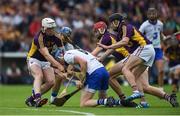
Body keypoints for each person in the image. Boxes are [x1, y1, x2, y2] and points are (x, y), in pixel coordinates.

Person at [93, 21, 179, 108]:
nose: (94, 33)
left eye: (96, 31)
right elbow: (112, 49)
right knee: (145, 87)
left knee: (111, 76)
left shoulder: (106, 37)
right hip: (134, 57)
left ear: (101, 30)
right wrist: (101, 58)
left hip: (133, 58)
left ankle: (127, 99)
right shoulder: (112, 36)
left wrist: (82, 54)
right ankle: (168, 97)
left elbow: (93, 54)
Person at [25, 18, 65, 107]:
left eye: (52, 28)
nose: (51, 30)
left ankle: (31, 99)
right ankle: (37, 99)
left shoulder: (57, 37)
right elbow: (46, 54)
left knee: (51, 82)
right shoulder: (39, 38)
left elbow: (63, 52)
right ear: (43, 28)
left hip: (46, 61)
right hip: (33, 59)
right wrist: (58, 65)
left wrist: (63, 62)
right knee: (39, 75)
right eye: (49, 29)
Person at [139, 8, 166, 90]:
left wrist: (164, 38)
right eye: (150, 14)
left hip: (158, 49)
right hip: (148, 49)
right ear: (147, 15)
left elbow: (161, 34)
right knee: (145, 71)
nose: (152, 15)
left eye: (153, 13)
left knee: (161, 70)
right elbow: (139, 35)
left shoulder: (160, 24)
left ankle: (161, 89)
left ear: (157, 14)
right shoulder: (144, 25)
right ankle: (146, 86)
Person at [50, 26, 75, 103]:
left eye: (67, 36)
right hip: (48, 65)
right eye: (64, 35)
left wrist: (69, 70)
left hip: (60, 67)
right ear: (60, 34)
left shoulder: (70, 47)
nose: (65, 38)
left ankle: (53, 99)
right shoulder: (53, 43)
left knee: (59, 77)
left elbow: (72, 61)